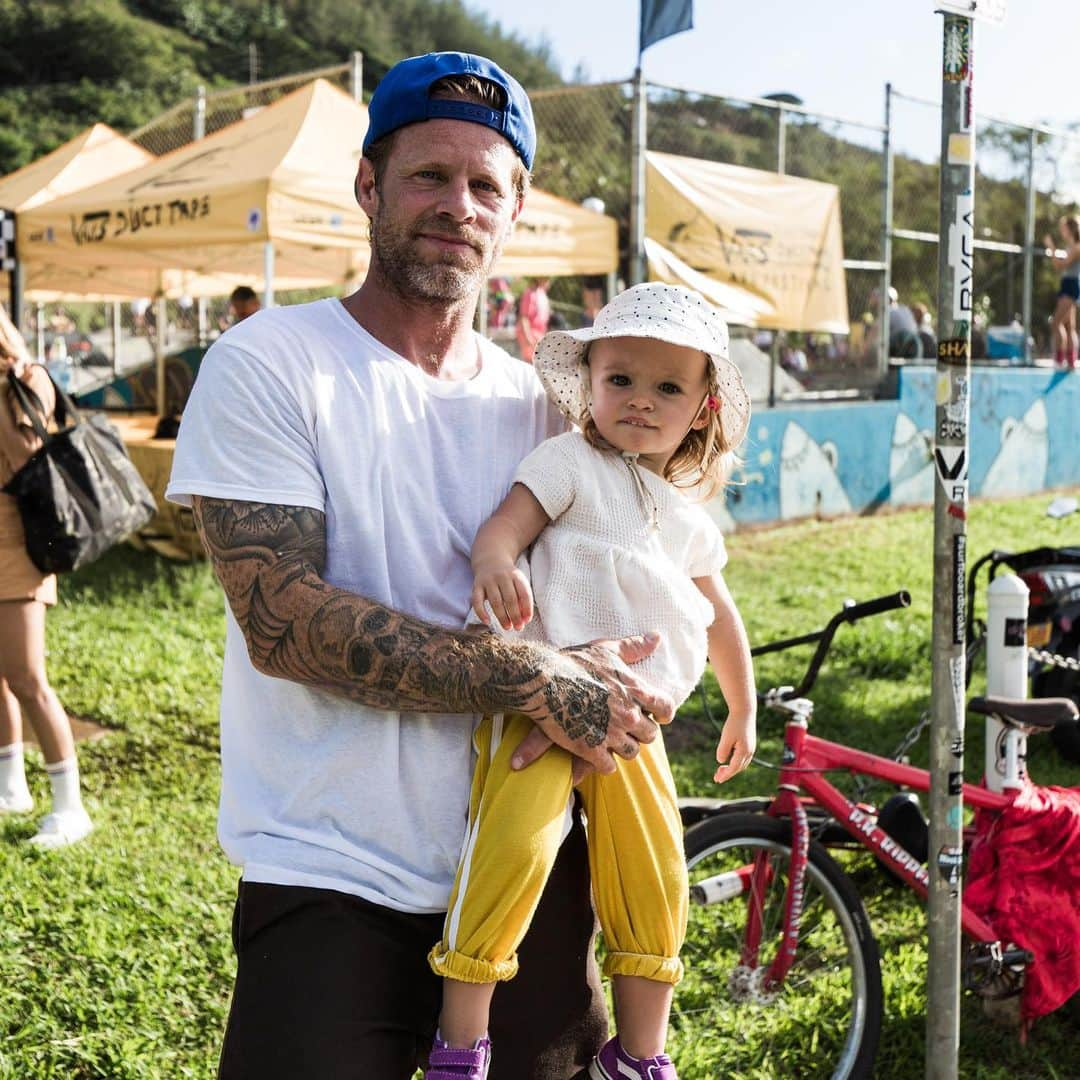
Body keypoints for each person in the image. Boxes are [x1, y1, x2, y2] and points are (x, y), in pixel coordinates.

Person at [166, 51, 673, 1080]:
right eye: (429, 177)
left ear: (517, 207)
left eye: (487, 185)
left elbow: (629, 577)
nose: (459, 206)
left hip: (526, 865)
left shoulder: (550, 408)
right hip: (329, 867)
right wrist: (532, 674)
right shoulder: (272, 363)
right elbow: (284, 620)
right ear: (369, 186)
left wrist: (629, 666)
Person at [428, 283, 758, 1080]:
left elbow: (720, 615)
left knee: (656, 869)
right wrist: (495, 561)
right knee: (516, 847)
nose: (641, 401)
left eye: (667, 387)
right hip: (546, 694)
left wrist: (742, 704)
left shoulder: (685, 518)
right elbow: (509, 523)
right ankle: (461, 1037)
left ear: (702, 409)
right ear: (591, 384)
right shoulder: (568, 461)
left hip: (635, 722)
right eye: (621, 380)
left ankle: (640, 1052)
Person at [0, 305, 93, 848]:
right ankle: (12, 786)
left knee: (29, 679)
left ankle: (70, 807)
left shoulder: (27, 378)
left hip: (20, 544)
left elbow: (26, 459)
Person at [1043, 216, 1080, 367]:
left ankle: (1061, 359)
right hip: (1066, 285)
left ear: (1071, 229)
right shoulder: (1069, 247)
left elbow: (1060, 265)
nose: (1061, 231)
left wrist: (1051, 247)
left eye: (1064, 228)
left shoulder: (1077, 247)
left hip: (1071, 286)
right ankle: (1070, 360)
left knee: (1055, 322)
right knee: (1068, 326)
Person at [514, 277, 550, 362]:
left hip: (540, 333)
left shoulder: (542, 293)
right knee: (531, 361)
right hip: (531, 333)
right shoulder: (530, 294)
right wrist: (528, 337)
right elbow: (524, 317)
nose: (548, 282)